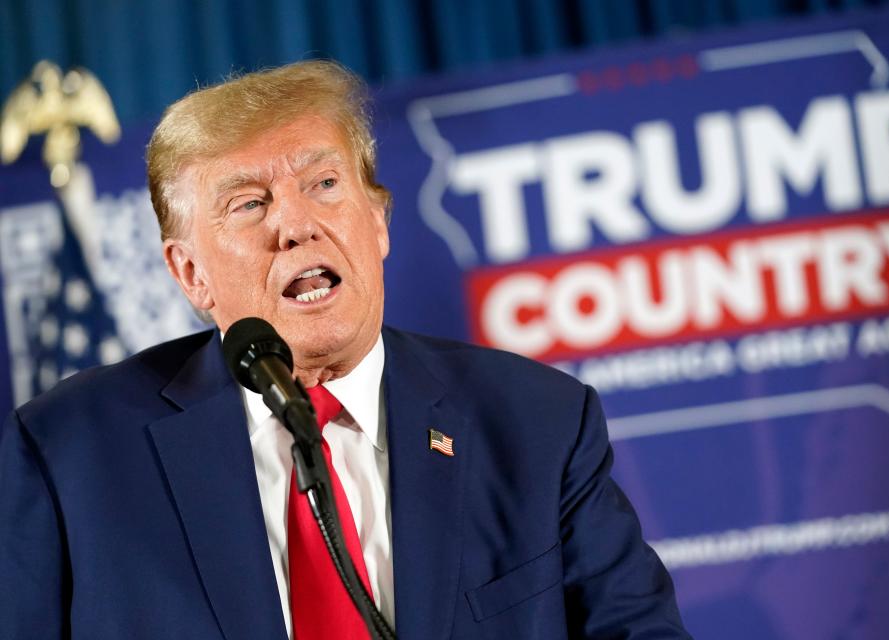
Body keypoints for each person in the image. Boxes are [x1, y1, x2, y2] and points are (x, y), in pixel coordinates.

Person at [0, 61, 691, 639]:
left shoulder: (538, 424)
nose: (296, 224)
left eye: (324, 185)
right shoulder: (69, 454)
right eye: (249, 204)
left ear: (380, 221)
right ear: (190, 273)